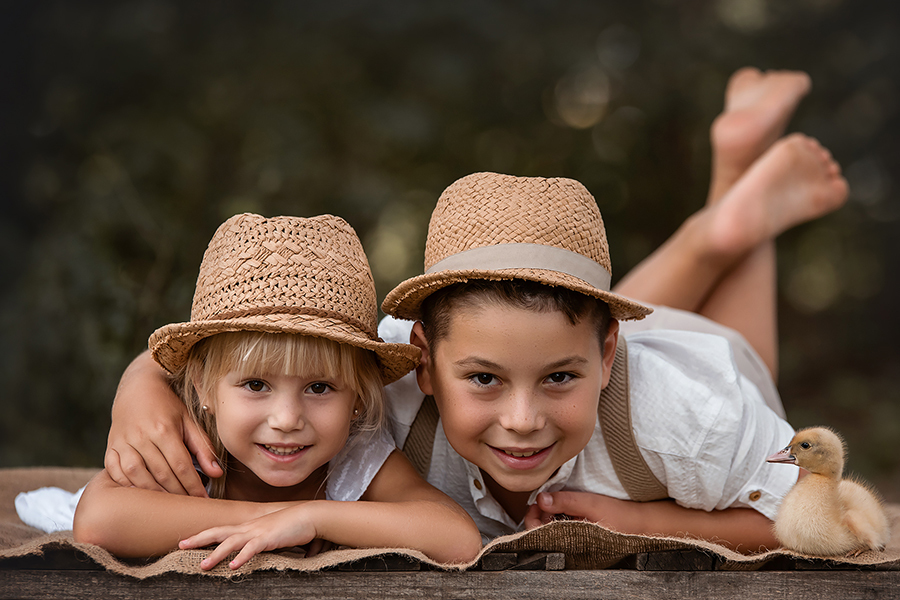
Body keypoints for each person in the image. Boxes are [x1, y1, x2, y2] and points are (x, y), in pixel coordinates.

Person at [100, 68, 849, 549]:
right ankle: (722, 214)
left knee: (747, 358)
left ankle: (735, 213)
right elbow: (255, 344)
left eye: (558, 380)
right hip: (610, 345)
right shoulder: (374, 373)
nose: (520, 419)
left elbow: (810, 512)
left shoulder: (690, 422)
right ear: (421, 359)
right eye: (483, 379)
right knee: (553, 327)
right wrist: (139, 386)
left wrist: (645, 522)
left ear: (607, 355)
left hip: (693, 368)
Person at [73, 213, 482, 569]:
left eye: (319, 387)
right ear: (202, 388)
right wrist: (274, 517)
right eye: (256, 385)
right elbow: (98, 519)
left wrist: (314, 519)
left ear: (358, 396)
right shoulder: (195, 444)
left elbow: (456, 537)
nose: (287, 419)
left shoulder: (354, 452)